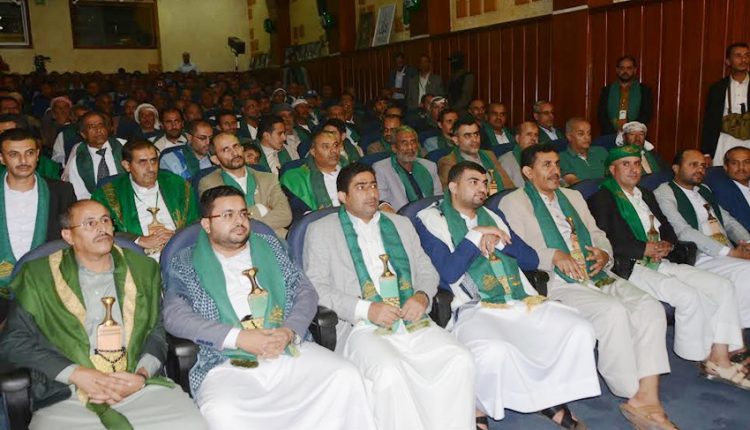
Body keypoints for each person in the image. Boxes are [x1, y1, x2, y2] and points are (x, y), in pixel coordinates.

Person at [160, 185, 374, 429]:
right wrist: (239, 338)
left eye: (243, 213)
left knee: (345, 376)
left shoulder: (271, 246)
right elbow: (175, 315)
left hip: (286, 346)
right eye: (228, 215)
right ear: (207, 224)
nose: (239, 221)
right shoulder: (185, 261)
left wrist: (289, 330)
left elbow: (305, 292)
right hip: (226, 359)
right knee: (222, 411)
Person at [500, 144, 677, 429]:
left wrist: (604, 253)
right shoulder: (514, 202)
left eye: (557, 164)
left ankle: (648, 393)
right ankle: (633, 393)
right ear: (528, 172)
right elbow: (521, 249)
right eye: (546, 165)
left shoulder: (573, 196)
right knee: (613, 312)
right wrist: (554, 255)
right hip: (556, 280)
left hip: (596, 272)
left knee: (650, 308)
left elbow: (597, 233)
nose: (555, 170)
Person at [415, 161, 599, 429]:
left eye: (484, 182)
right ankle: (478, 405)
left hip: (518, 299)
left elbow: (530, 258)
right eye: (473, 182)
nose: (482, 188)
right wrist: (475, 237)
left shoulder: (494, 216)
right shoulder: (430, 220)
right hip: (474, 306)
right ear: (453, 187)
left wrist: (500, 240)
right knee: (494, 351)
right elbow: (449, 272)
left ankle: (549, 397)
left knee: (578, 329)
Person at [0, 200, 207, 429]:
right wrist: (76, 374)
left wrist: (141, 375)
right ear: (68, 236)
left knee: (192, 425)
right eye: (90, 223)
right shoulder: (38, 276)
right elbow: (13, 342)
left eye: (105, 220)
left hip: (138, 387)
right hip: (68, 393)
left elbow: (156, 331)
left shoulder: (142, 269)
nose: (102, 228)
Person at [303, 162, 476, 430]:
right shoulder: (322, 230)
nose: (372, 193)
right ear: (342, 196)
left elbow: (427, 271)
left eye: (373, 185)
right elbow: (316, 287)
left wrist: (421, 296)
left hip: (412, 319)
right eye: (361, 187)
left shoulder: (401, 224)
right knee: (389, 371)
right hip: (362, 326)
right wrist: (366, 309)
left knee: (460, 359)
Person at [588, 145, 747, 388]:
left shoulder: (646, 194)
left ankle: (721, 356)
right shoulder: (601, 199)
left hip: (662, 260)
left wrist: (667, 244)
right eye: (625, 164)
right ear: (612, 169)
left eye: (636, 163)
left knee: (722, 286)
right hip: (632, 265)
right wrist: (643, 249)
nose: (633, 169)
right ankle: (707, 358)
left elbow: (667, 228)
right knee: (688, 295)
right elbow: (605, 241)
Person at [654, 149, 750, 328]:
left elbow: (728, 221)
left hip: (725, 252)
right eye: (693, 165)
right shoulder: (665, 192)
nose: (700, 169)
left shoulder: (703, 190)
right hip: (700, 256)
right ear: (676, 168)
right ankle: (739, 332)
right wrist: (730, 252)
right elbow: (682, 231)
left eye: (703, 166)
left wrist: (747, 243)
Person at [92, 140, 198, 260]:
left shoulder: (177, 185)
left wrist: (177, 237)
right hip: (136, 258)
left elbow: (195, 222)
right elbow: (100, 231)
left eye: (153, 161)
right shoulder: (107, 195)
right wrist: (138, 240)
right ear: (127, 165)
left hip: (180, 252)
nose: (151, 168)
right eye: (142, 163)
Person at [0, 128, 76, 287]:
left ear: (38, 154)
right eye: (14, 154)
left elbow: (73, 238)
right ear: (1, 158)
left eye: (29, 153)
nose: (23, 160)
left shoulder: (61, 191)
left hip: (49, 282)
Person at [198, 132, 291, 237]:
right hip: (234, 242)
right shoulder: (210, 183)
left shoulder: (268, 178)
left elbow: (286, 215)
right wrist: (260, 209)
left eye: (236, 146)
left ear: (242, 149)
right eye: (226, 150)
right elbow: (222, 223)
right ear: (215, 159)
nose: (234, 153)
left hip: (276, 238)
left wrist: (244, 218)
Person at [702, 42, 750, 165]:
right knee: (721, 173)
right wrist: (707, 153)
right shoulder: (718, 88)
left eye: (746, 55)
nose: (743, 59)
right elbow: (710, 121)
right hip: (724, 142)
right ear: (728, 61)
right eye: (738, 55)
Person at [373, 126, 442, 211]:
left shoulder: (429, 166)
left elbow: (439, 197)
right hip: (400, 215)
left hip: (431, 213)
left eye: (413, 142)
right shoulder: (381, 169)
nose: (410, 147)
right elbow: (382, 201)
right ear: (394, 148)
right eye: (404, 143)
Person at [437, 117, 514, 191]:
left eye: (476, 134)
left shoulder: (489, 155)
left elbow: (508, 185)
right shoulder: (448, 162)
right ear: (456, 140)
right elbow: (452, 194)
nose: (474, 140)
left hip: (498, 197)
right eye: (467, 136)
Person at [62, 111, 127, 199]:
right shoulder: (77, 162)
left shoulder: (124, 146)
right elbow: (81, 195)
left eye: (101, 125)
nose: (98, 130)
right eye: (91, 126)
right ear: (83, 134)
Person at [281, 130, 342, 212]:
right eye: (326, 147)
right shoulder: (296, 178)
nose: (334, 150)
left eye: (335, 145)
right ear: (313, 152)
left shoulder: (351, 172)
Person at [597, 55, 654, 134]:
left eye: (629, 68)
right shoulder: (607, 90)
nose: (625, 71)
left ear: (634, 70)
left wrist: (631, 130)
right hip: (610, 133)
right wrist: (613, 131)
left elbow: (646, 114)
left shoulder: (644, 90)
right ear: (617, 70)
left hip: (635, 134)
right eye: (622, 68)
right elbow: (602, 114)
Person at [711, 146, 750, 230]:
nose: (741, 167)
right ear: (725, 167)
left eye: (747, 162)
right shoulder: (720, 188)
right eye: (734, 163)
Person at [559, 118, 608, 184]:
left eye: (589, 133)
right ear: (569, 136)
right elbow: (573, 182)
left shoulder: (600, 151)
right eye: (581, 134)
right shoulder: (562, 158)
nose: (587, 137)